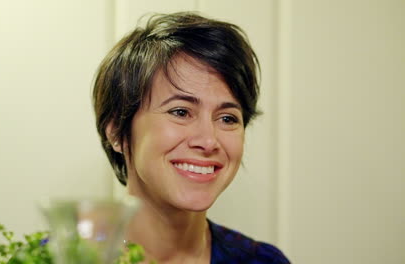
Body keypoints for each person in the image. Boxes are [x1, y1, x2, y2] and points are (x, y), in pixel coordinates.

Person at [92, 12, 290, 264]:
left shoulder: (262, 260)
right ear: (117, 132)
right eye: (181, 112)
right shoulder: (60, 257)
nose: (208, 141)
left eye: (227, 118)